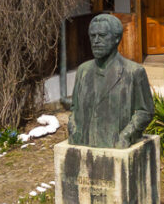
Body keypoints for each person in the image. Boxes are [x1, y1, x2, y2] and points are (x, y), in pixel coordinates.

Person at [60, 13, 154, 148]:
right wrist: (74, 130)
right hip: (84, 140)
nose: (96, 41)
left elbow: (145, 111)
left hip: (116, 141)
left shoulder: (133, 72)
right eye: (93, 36)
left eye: (102, 36)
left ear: (116, 38)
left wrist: (126, 135)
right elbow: (75, 108)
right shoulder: (83, 70)